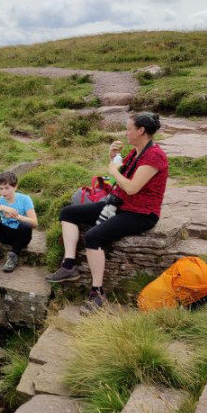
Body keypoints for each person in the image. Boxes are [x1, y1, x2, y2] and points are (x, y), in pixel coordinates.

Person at [45, 112, 168, 312]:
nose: (126, 133)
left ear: (141, 130)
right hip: (118, 204)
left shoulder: (154, 156)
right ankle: (69, 265)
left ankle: (97, 292)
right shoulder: (138, 150)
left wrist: (112, 170)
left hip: (141, 213)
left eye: (129, 129)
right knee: (68, 212)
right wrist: (113, 158)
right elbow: (124, 173)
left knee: (94, 236)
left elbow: (131, 188)